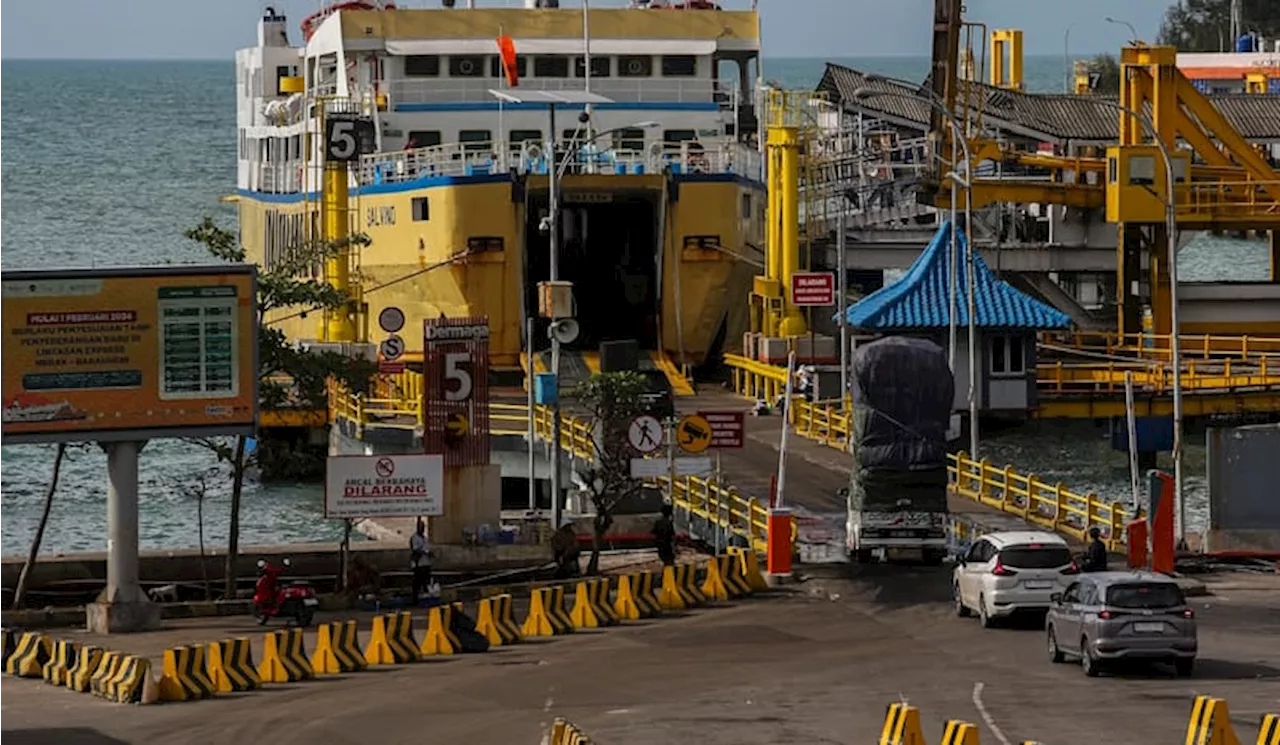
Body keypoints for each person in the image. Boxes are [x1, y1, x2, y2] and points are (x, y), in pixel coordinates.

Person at [409, 519, 433, 600]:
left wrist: (430, 554)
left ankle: (426, 597)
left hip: (426, 563)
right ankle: (415, 598)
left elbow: (428, 548)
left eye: (423, 527)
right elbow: (415, 550)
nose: (422, 529)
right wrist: (424, 552)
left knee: (426, 582)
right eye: (420, 527)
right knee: (417, 582)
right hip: (418, 564)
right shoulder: (414, 538)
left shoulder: (425, 538)